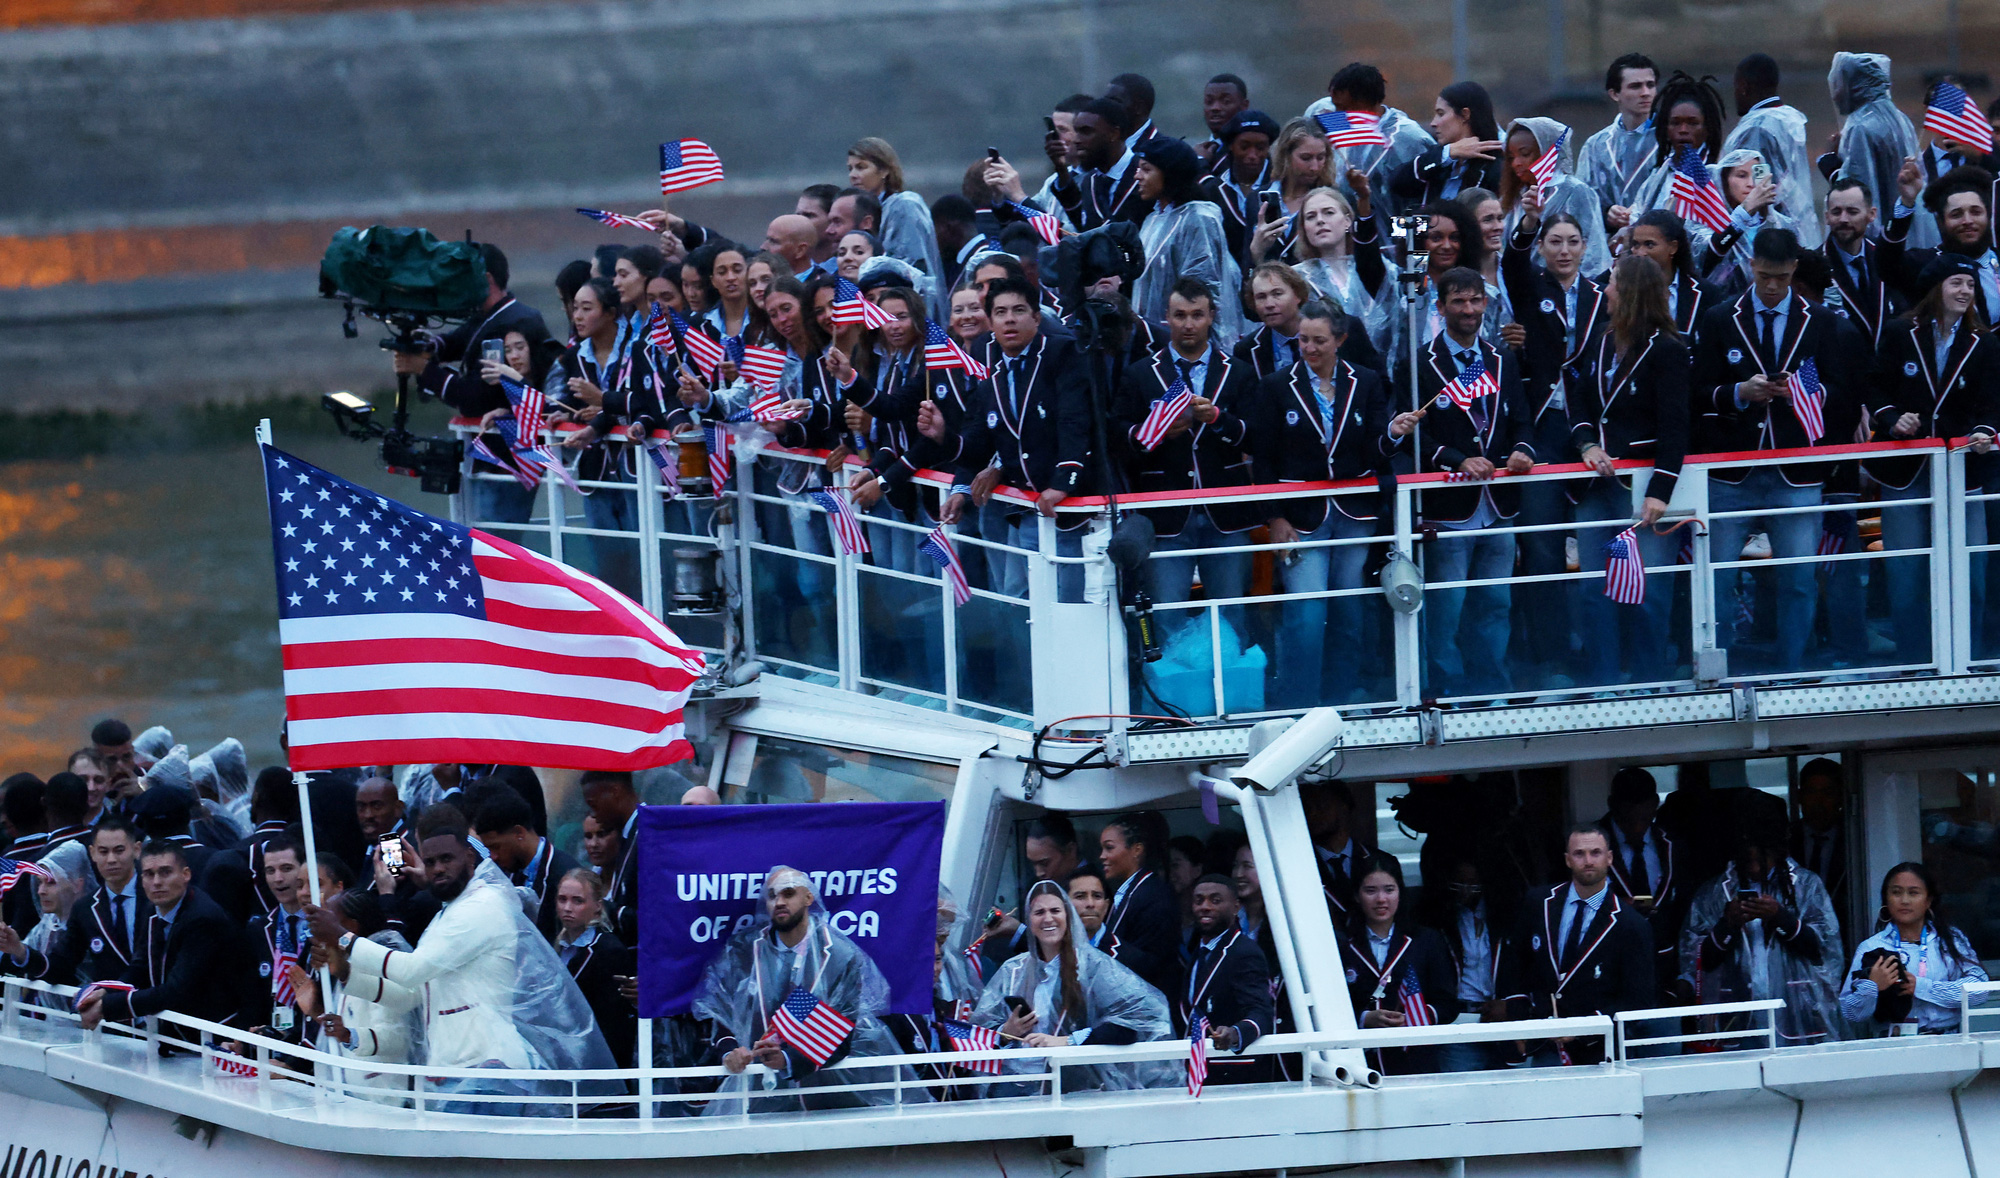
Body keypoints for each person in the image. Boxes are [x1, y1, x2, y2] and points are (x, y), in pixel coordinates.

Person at [307, 805, 615, 1101]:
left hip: (487, 1075)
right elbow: (415, 996)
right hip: (458, 1076)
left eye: (446, 859)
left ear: (469, 856)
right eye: (430, 862)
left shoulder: (482, 906)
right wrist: (347, 973)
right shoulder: (449, 913)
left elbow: (412, 970)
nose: (438, 869)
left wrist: (342, 937)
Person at [1695, 227, 1851, 676]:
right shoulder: (1720, 317)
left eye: (1781, 278)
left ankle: (1792, 668)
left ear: (1794, 271)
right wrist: (1739, 391)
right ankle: (1717, 664)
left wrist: (1805, 392)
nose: (1771, 286)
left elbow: (1842, 391)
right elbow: (1700, 391)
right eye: (1764, 275)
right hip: (1732, 469)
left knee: (1799, 580)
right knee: (1718, 578)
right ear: (1751, 267)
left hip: (1795, 469)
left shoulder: (1820, 320)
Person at [1249, 300, 1403, 708]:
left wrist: (1394, 433)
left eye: (1319, 340)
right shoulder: (1275, 386)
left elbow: (1376, 449)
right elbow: (1262, 459)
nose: (1309, 348)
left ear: (1341, 340)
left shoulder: (1366, 381)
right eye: (1303, 339)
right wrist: (1274, 517)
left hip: (1355, 513)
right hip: (1301, 517)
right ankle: (1300, 704)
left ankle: (1342, 700)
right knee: (1306, 614)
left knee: (1349, 611)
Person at [925, 275, 1094, 600]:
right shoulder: (993, 377)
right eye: (1001, 312)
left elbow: (1075, 424)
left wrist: (1062, 483)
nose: (1010, 319)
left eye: (1019, 310)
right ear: (991, 321)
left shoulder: (1062, 354)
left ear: (1036, 317)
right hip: (1024, 510)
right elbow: (976, 446)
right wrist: (943, 436)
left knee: (1070, 606)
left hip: (1070, 508)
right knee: (1027, 604)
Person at [1866, 254, 1998, 665]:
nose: (1964, 291)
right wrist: (1892, 418)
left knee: (1970, 572)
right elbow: (1875, 389)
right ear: (1935, 288)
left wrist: (1984, 432)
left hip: (1963, 473)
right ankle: (1914, 660)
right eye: (1957, 283)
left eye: (1970, 285)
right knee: (1906, 576)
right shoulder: (1900, 331)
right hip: (1906, 471)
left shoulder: (1985, 342)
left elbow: (1993, 406)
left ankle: (1967, 660)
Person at [1567, 252, 1691, 688]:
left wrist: (1660, 491)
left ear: (1633, 292)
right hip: (1595, 486)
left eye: (1613, 282)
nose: (1606, 290)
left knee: (1649, 592)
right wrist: (1587, 443)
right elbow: (1580, 400)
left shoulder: (1669, 351)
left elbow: (1676, 428)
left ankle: (1648, 678)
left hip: (1641, 490)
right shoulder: (1601, 339)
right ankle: (1603, 679)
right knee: (1594, 589)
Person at [696, 866, 912, 1111]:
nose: (778, 902)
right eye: (771, 896)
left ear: (809, 898)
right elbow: (719, 1013)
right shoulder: (742, 951)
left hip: (822, 1095)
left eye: (788, 893)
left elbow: (843, 1031)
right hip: (755, 1097)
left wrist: (788, 1059)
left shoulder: (840, 956)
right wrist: (729, 1052)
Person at [1411, 266, 1532, 702]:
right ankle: (1446, 686)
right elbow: (1413, 434)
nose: (1468, 310)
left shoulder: (1501, 357)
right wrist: (1459, 459)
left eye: (1475, 300)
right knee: (1448, 608)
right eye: (1458, 302)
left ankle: (1492, 684)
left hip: (1499, 503)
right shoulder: (1417, 362)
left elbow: (1521, 417)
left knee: (1496, 603)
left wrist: (1523, 450)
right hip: (1451, 507)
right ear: (1440, 308)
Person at [1115, 278, 1260, 637]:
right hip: (1166, 515)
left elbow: (1259, 437)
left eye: (1197, 314)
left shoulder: (1239, 372)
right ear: (1166, 318)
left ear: (1212, 315)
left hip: (1226, 513)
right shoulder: (1139, 373)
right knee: (1166, 620)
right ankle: (1170, 694)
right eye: (1180, 315)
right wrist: (1151, 431)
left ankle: (1235, 692)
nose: (1189, 324)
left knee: (1233, 618)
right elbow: (1118, 435)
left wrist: (1218, 420)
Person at [969, 878, 1176, 1092]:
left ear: (1068, 916)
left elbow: (1138, 1021)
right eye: (1039, 912)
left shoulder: (1094, 966)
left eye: (1055, 911)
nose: (1048, 918)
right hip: (1015, 1088)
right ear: (1029, 920)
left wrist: (1067, 1041)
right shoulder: (1013, 970)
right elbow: (978, 1030)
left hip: (1074, 1089)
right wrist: (1006, 1031)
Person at [1679, 815, 1845, 1047]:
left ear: (1778, 851)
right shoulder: (1715, 892)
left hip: (1797, 1015)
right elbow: (1696, 963)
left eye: (1763, 859)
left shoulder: (1807, 885)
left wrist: (1782, 918)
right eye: (1747, 860)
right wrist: (1728, 924)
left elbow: (1826, 951)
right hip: (1735, 1019)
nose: (1755, 868)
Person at [1501, 826, 1655, 1066]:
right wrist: (1518, 1022)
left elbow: (1639, 999)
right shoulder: (1538, 902)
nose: (1588, 861)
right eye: (1579, 854)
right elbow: (1515, 962)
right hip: (1542, 1040)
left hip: (1598, 1050)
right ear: (1568, 860)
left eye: (1595, 853)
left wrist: (1583, 1028)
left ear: (1609, 857)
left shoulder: (1631, 924)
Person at [78, 840, 246, 1035]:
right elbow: (140, 967)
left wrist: (107, 1007)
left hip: (213, 1033)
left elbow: (176, 990)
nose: (156, 882)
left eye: (165, 872)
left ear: (186, 875)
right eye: (149, 874)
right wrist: (107, 991)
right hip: (178, 1030)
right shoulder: (152, 910)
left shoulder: (202, 918)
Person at [1341, 853, 1458, 1075]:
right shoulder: (1341, 944)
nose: (1381, 899)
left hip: (1414, 1062)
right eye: (1370, 891)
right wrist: (1365, 1018)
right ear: (1356, 895)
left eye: (1389, 889)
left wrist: (1417, 1016)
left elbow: (1448, 1003)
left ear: (1400, 893)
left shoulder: (1426, 940)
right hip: (1358, 1066)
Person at [1839, 862, 1989, 1035]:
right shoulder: (1872, 947)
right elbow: (1847, 1013)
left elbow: (1981, 990)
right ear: (1886, 899)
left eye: (1913, 893)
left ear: (1928, 900)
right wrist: (1872, 986)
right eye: (1896, 892)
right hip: (1895, 1047)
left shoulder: (1950, 940)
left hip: (1949, 1043)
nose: (1904, 900)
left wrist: (1922, 987)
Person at [0, 816, 147, 986]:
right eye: (104, 852)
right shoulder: (85, 908)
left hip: (158, 1008)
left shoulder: (156, 897)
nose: (111, 859)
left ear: (137, 850)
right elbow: (60, 966)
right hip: (110, 1008)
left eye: (119, 850)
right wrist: (20, 951)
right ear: (92, 853)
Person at [1129, 137, 1244, 344]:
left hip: (1190, 344)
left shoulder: (1198, 219)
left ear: (1170, 174)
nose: (1137, 176)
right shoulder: (1153, 218)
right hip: (1153, 340)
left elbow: (1202, 289)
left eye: (1146, 169)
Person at [1823, 52, 1930, 248]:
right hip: (1906, 228)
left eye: (1840, 85)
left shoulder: (1861, 127)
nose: (1836, 94)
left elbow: (1857, 193)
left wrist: (1831, 167)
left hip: (1880, 241)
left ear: (1855, 87)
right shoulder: (1900, 118)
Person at [1307, 62, 1437, 222]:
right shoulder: (1343, 129)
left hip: (1398, 240)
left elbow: (1423, 200)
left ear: (1362, 103)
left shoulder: (1407, 139)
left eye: (1342, 107)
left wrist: (1410, 244)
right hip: (1353, 238)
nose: (1337, 114)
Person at [1597, 767, 1681, 1003]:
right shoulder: (1590, 848)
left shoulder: (1672, 845)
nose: (1636, 828)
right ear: (1612, 805)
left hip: (1664, 975)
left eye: (1643, 819)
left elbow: (1683, 911)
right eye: (1627, 819)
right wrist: (1617, 906)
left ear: (1655, 805)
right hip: (1610, 974)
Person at [1418, 847, 1505, 1072]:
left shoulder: (1503, 916)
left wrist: (1510, 1005)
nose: (1466, 892)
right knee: (1461, 1094)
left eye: (1473, 885)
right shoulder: (1440, 921)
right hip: (1459, 1018)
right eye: (1459, 884)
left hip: (1500, 1017)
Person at [1181, 874, 1274, 1084]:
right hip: (1198, 1070)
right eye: (1198, 900)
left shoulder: (1244, 952)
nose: (1205, 907)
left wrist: (1235, 1033)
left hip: (1232, 1072)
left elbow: (1261, 1012)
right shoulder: (1199, 950)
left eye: (1215, 900)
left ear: (1235, 906)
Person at [1722, 53, 1820, 249]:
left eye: (1735, 87)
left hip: (1769, 238)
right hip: (1800, 227)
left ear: (1743, 86)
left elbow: (1755, 189)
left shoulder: (1756, 129)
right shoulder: (1787, 119)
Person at [1883, 164, 1998, 328]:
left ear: (1988, 216)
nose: (1968, 221)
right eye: (1956, 214)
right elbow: (1887, 265)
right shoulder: (1926, 264)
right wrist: (1906, 203)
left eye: (1975, 212)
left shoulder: (1997, 260)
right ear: (1941, 222)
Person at [1502, 117, 1612, 280]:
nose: (1516, 163)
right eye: (1511, 157)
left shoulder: (1576, 192)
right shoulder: (1515, 196)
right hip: (1520, 288)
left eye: (1525, 154)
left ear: (1547, 152)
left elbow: (1593, 255)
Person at [553, 867, 638, 1067]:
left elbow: (615, 1022)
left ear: (597, 906)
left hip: (597, 1062)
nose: (567, 907)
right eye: (562, 899)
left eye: (578, 901)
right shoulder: (557, 947)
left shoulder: (609, 951)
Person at [1097, 813, 1182, 1001]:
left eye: (1109, 848)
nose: (1102, 856)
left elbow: (1151, 964)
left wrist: (1100, 935)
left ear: (1136, 850)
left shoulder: (1155, 895)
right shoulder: (1130, 891)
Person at [474, 790, 580, 942]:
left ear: (519, 833)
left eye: (496, 847)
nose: (493, 857)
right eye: (488, 849)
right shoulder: (509, 872)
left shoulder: (565, 876)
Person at [1577, 53, 1660, 229]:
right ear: (1615, 94)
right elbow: (1582, 200)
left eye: (1650, 85)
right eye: (1635, 86)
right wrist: (1608, 212)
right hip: (1611, 248)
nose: (1645, 93)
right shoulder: (1596, 145)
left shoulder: (1671, 139)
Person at [1389, 81, 1504, 206]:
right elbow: (1396, 183)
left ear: (1465, 115)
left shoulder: (1496, 167)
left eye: (1441, 114)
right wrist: (1448, 153)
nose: (1433, 123)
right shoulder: (1441, 160)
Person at [246, 836, 315, 1040]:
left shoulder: (324, 924)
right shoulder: (258, 929)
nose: (277, 879)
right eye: (270, 871)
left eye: (286, 869)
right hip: (275, 1043)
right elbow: (251, 996)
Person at [1822, 177, 1904, 349]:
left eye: (1852, 212)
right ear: (1827, 217)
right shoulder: (1815, 267)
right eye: (1836, 212)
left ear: (1871, 214)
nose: (1843, 219)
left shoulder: (1888, 257)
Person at [1199, 109, 1279, 271]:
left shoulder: (1279, 187)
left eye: (1260, 147)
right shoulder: (1212, 190)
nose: (1252, 155)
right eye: (1244, 147)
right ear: (1231, 146)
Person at [582, 770, 641, 944]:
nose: (593, 814)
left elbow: (654, 916)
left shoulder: (648, 834)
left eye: (594, 804)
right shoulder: (629, 835)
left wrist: (599, 907)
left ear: (615, 792)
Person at [1791, 758, 1851, 918]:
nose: (1818, 802)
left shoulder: (1855, 839)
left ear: (1840, 797)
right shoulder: (1786, 839)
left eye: (1828, 793)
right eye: (1811, 792)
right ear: (1799, 797)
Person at [1302, 781, 1367, 920]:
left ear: (1343, 807)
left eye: (1321, 806)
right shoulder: (1299, 865)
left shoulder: (1381, 862)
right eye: (1307, 808)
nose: (1312, 814)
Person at [1196, 73, 1250, 167]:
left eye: (1226, 101)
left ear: (1244, 106)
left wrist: (1200, 162)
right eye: (1209, 102)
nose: (1215, 108)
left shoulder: (1252, 154)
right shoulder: (1194, 152)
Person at [1067, 864, 1116, 952]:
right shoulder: (1050, 954)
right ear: (1065, 904)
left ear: (1106, 906)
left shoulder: (1131, 960)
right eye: (1080, 896)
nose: (1090, 904)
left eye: (1097, 896)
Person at [91, 718, 139, 803]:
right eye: (111, 760)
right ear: (96, 758)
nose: (120, 769)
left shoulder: (154, 781)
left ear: (133, 751)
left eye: (126, 757)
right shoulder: (87, 789)